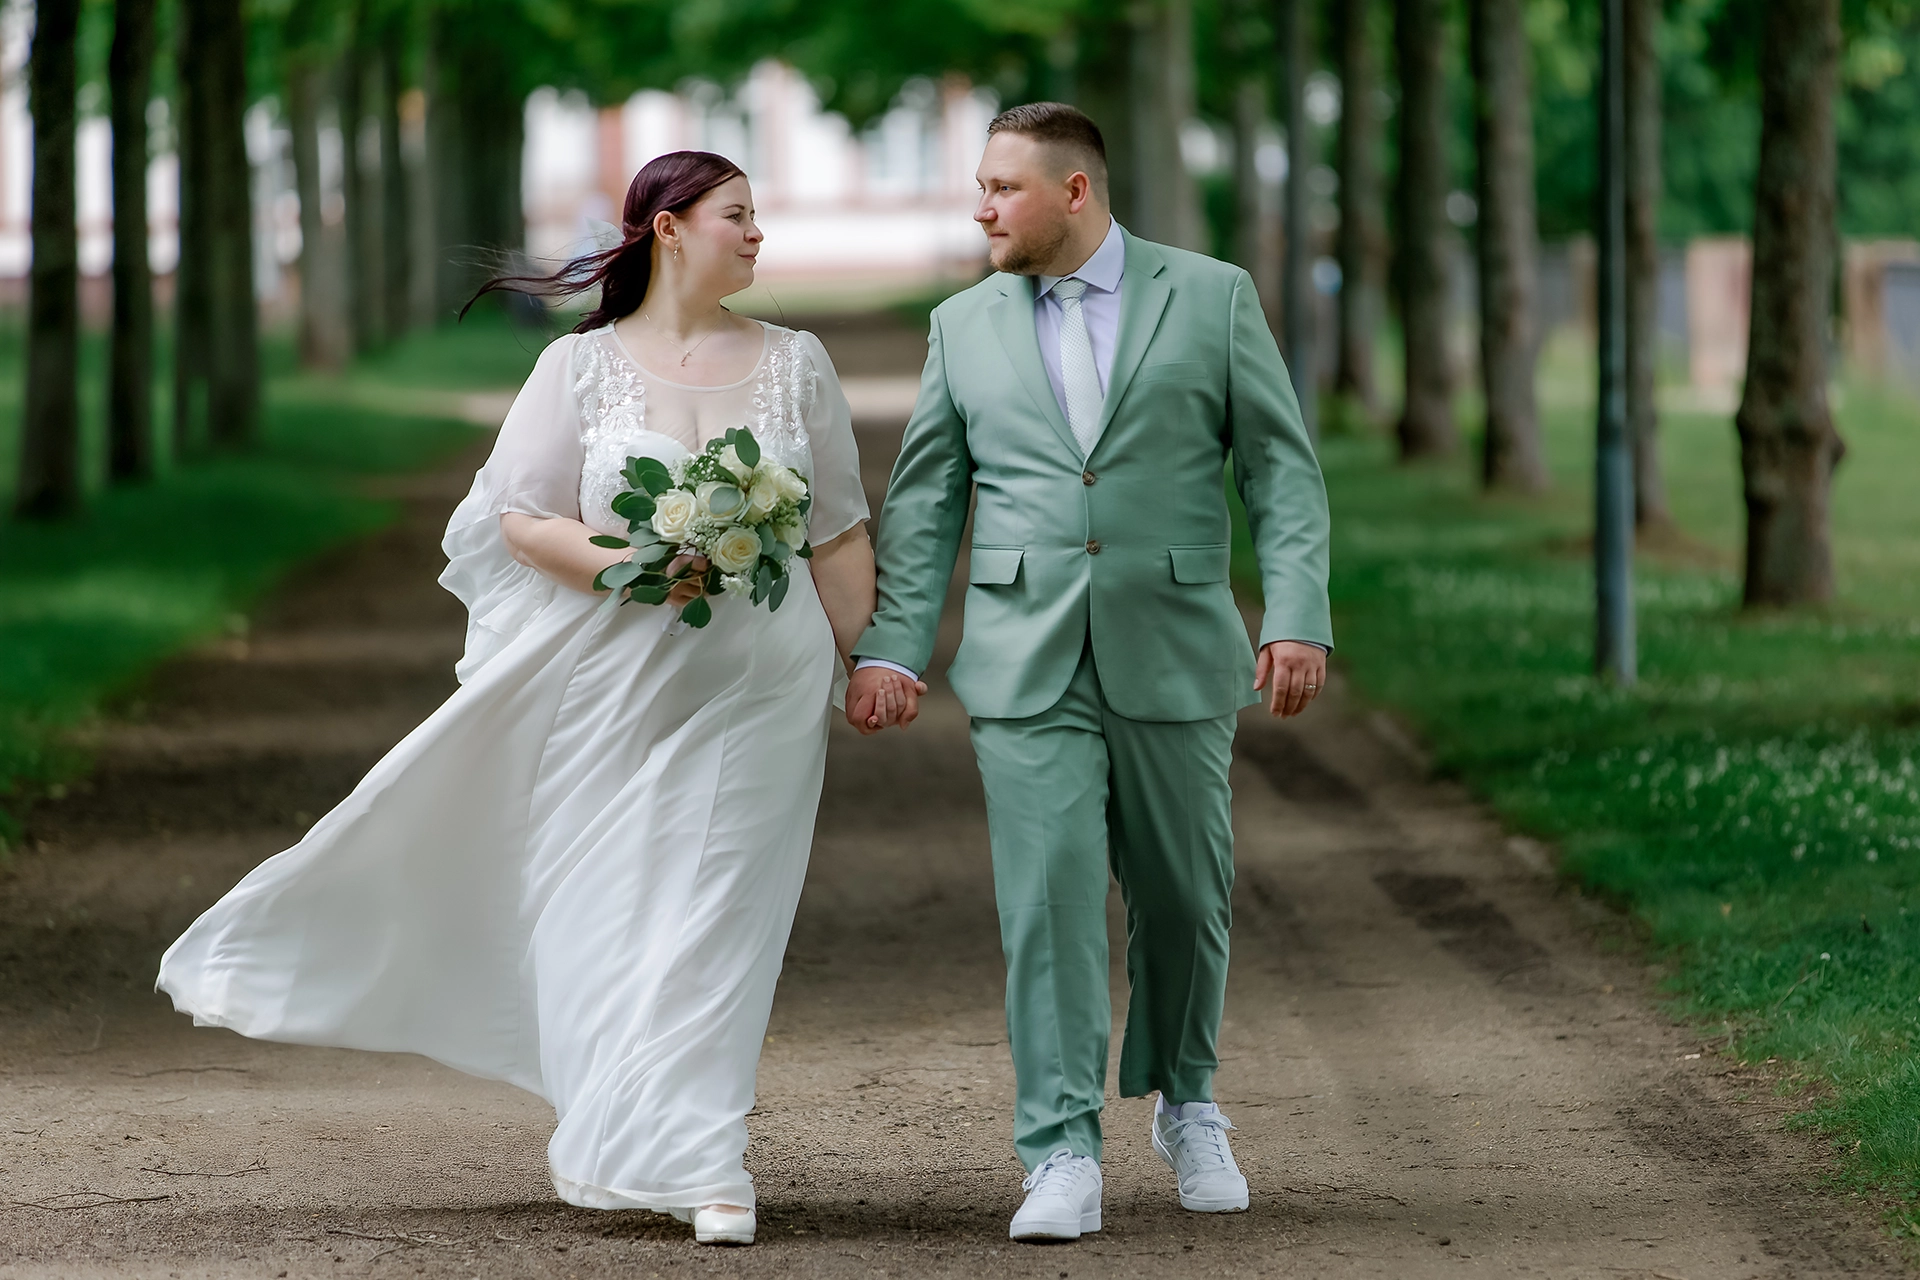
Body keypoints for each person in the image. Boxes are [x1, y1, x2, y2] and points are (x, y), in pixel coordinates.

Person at [156, 151, 896, 1247]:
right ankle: (625, 1115)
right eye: (737, 215)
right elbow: (520, 519)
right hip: (615, 678)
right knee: (610, 900)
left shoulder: (798, 363)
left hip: (761, 681)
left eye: (758, 217)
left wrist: (867, 660)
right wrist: (633, 565)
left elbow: (836, 532)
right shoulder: (576, 368)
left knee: (723, 903)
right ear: (669, 228)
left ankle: (705, 1158)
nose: (757, 236)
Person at [847, 104, 1333, 1242]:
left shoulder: (1211, 296)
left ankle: (1187, 1098)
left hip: (1176, 640)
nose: (981, 208)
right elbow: (927, 500)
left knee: (1186, 896)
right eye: (979, 185)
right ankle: (1060, 1148)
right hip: (1024, 658)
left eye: (1002, 188)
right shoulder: (962, 323)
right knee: (1050, 902)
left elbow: (1280, 467)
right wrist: (891, 646)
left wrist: (1297, 615)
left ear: (1075, 192)